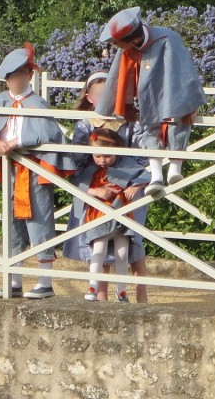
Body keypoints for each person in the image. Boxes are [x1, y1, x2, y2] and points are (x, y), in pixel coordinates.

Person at [0, 45, 75, 299]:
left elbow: (48, 133)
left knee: (40, 221)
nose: (15, 81)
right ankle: (14, 280)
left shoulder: (37, 102)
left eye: (19, 75)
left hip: (34, 169)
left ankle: (46, 282)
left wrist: (16, 142)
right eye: (11, 77)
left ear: (28, 76)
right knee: (11, 224)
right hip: (8, 168)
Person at [95, 7, 206, 196]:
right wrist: (123, 104)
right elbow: (119, 78)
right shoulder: (128, 49)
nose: (115, 47)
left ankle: (174, 168)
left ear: (134, 39)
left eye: (117, 43)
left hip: (173, 93)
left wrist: (191, 100)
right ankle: (156, 176)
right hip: (146, 98)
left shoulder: (168, 39)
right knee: (150, 128)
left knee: (178, 124)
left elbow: (185, 71)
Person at [64, 73, 150, 302]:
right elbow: (78, 162)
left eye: (108, 94)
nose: (104, 99)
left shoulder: (130, 120)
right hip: (96, 188)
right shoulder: (84, 125)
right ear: (90, 97)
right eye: (99, 94)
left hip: (128, 188)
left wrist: (130, 181)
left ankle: (139, 292)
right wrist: (91, 189)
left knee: (131, 242)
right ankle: (100, 293)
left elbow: (143, 155)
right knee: (98, 242)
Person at [72, 127, 149, 303]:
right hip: (99, 215)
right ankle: (93, 286)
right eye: (97, 156)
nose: (102, 160)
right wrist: (96, 192)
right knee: (98, 250)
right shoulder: (91, 169)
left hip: (123, 215)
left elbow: (145, 176)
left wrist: (135, 187)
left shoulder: (125, 165)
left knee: (123, 254)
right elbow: (78, 184)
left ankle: (121, 290)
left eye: (107, 156)